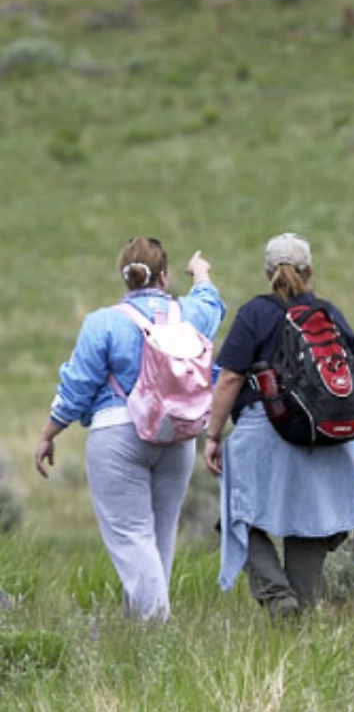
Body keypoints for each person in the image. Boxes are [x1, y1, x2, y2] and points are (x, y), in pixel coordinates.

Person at [34, 238, 225, 621]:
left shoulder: (103, 322)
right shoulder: (189, 313)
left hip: (117, 435)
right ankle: (142, 631)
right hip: (178, 436)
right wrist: (201, 273)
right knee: (159, 538)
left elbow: (77, 386)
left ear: (127, 279)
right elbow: (211, 303)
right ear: (165, 276)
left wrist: (48, 433)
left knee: (131, 537)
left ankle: (157, 630)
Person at [203, 232, 354, 618]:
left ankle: (278, 596)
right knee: (310, 526)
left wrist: (213, 435)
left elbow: (230, 378)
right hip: (329, 439)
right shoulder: (329, 314)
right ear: (310, 269)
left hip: (265, 433)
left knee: (238, 516)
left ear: (267, 272)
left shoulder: (255, 313)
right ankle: (302, 612)